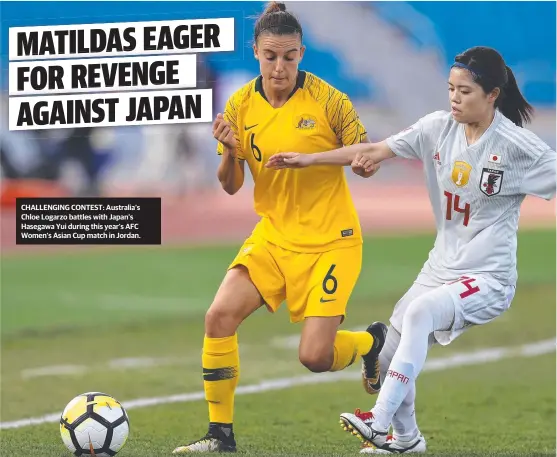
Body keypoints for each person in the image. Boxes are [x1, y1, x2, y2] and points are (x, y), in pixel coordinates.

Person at [266, 46, 556, 454]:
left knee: (421, 313)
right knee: (386, 355)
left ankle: (378, 422)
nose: (454, 98)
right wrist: (309, 160)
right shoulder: (437, 128)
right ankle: (406, 439)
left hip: (488, 278)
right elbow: (372, 151)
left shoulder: (517, 147)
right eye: (451, 88)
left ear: (492, 95)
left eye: (466, 91)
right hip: (440, 267)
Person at [173, 2, 388, 453]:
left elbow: (363, 154)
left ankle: (371, 343)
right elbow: (230, 186)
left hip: (332, 241)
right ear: (255, 52)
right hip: (274, 237)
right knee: (218, 316)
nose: (279, 66)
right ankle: (220, 435)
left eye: (289, 56)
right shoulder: (239, 104)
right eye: (270, 55)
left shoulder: (331, 102)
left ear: (302, 54)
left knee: (314, 357)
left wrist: (359, 162)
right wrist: (230, 152)